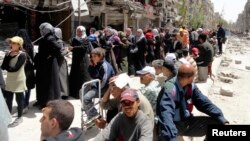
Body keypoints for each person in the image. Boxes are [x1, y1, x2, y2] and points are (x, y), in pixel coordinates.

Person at [157, 64, 229, 141]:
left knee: (217, 125)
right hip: (173, 125)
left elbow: (205, 103)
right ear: (189, 78)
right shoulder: (170, 88)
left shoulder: (191, 87)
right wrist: (171, 137)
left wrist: (222, 119)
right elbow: (166, 113)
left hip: (186, 122)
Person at [34, 22, 62, 109]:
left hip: (48, 65)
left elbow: (58, 47)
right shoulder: (46, 37)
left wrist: (50, 55)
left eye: (42, 30)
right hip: (44, 64)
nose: (40, 31)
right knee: (42, 82)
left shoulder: (50, 38)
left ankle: (47, 103)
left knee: (48, 84)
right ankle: (41, 101)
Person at [1, 36, 27, 127]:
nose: (11, 44)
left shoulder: (22, 55)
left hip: (19, 79)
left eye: (14, 43)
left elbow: (15, 68)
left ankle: (19, 117)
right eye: (11, 43)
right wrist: (8, 57)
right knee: (9, 98)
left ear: (19, 45)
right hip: (10, 79)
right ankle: (8, 116)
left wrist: (8, 67)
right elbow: (3, 66)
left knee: (19, 99)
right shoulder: (8, 53)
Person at [83, 47, 114, 120]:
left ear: (100, 56)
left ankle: (95, 115)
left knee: (86, 98)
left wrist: (94, 87)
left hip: (103, 88)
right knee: (81, 91)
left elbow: (104, 81)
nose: (92, 58)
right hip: (96, 84)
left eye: (94, 56)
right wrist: (91, 66)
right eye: (92, 56)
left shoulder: (105, 66)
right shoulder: (97, 63)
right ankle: (89, 111)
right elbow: (93, 75)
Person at [69, 25, 93, 99]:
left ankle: (83, 93)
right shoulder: (74, 39)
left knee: (83, 75)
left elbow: (83, 48)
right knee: (75, 75)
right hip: (75, 59)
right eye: (78, 31)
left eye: (80, 31)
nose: (79, 33)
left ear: (83, 32)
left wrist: (73, 48)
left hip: (83, 60)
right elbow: (71, 46)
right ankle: (74, 93)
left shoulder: (86, 39)